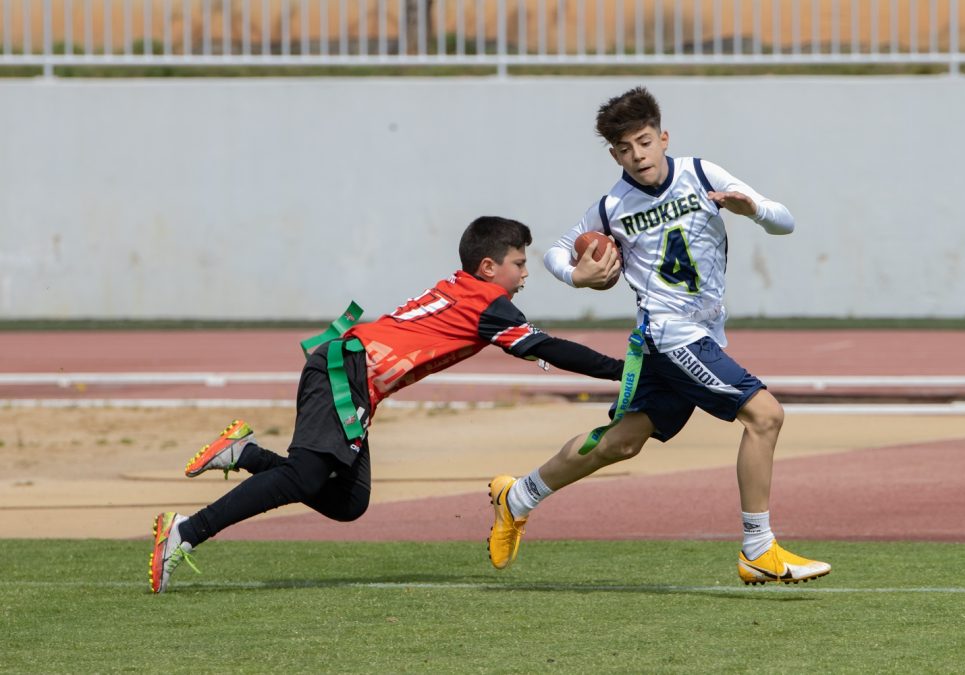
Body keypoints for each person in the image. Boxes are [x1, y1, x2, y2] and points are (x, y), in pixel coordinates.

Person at [149, 216, 623, 593]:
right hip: (346, 371)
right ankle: (187, 530)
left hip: (350, 372)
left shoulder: (464, 289)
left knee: (348, 503)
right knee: (305, 476)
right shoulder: (487, 304)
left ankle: (246, 454)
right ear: (487, 268)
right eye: (519, 264)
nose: (524, 274)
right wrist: (623, 369)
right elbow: (549, 348)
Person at [486, 87, 831, 585]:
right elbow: (556, 252)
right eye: (624, 149)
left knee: (622, 444)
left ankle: (517, 495)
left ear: (663, 137)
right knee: (765, 416)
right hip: (672, 335)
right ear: (613, 154)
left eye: (644, 142)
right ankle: (758, 548)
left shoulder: (703, 174)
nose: (637, 155)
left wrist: (750, 208)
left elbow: (785, 221)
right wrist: (576, 276)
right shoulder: (611, 206)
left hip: (693, 333)